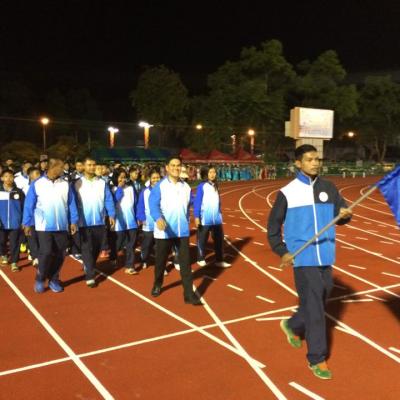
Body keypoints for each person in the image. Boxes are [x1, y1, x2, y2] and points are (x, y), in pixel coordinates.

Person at [267, 144, 352, 380]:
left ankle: (293, 325)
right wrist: (281, 250)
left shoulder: (329, 188)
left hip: (326, 254)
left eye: (317, 159)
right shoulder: (288, 192)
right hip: (302, 256)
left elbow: (340, 213)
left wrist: (345, 215)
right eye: (309, 159)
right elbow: (273, 226)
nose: (315, 163)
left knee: (322, 296)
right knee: (315, 308)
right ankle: (317, 358)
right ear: (298, 163)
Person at [149, 156, 202, 305]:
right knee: (161, 262)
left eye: (178, 165)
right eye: (172, 165)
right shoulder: (160, 186)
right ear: (167, 168)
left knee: (185, 264)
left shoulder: (186, 187)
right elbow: (153, 204)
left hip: (182, 231)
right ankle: (157, 283)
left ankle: (188, 294)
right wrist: (158, 218)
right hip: (164, 231)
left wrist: (197, 214)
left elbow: (191, 203)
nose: (176, 168)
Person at [23, 158, 79, 293]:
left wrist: (73, 221)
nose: (62, 169)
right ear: (50, 167)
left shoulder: (65, 184)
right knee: (46, 252)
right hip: (44, 226)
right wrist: (27, 223)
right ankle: (40, 278)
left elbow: (71, 203)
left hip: (62, 225)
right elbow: (29, 204)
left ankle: (54, 279)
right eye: (59, 167)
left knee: (60, 254)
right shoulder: (37, 184)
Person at [74, 157, 115, 288]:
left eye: (94, 165)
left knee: (97, 248)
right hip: (83, 223)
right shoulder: (77, 183)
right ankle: (90, 276)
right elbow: (73, 203)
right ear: (83, 166)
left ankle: (89, 264)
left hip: (99, 221)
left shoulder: (102, 183)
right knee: (87, 248)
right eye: (89, 165)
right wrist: (73, 220)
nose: (92, 167)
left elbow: (108, 199)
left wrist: (111, 214)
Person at [193, 166, 231, 268]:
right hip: (205, 218)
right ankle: (200, 259)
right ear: (206, 174)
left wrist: (220, 213)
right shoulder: (202, 186)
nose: (212, 174)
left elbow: (218, 202)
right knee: (202, 240)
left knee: (219, 240)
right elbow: (197, 202)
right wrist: (196, 217)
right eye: (210, 172)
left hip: (217, 219)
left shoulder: (216, 186)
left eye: (214, 172)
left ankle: (219, 260)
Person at [109, 168, 139, 274]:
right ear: (116, 178)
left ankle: (130, 265)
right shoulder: (112, 189)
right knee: (118, 243)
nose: (123, 180)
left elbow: (135, 204)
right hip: (118, 222)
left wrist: (137, 217)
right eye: (120, 177)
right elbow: (113, 202)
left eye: (124, 177)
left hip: (131, 221)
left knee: (131, 244)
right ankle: (113, 256)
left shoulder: (130, 188)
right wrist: (119, 189)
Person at [0, 169, 25, 272]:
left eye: (10, 176)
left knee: (15, 243)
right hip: (1, 223)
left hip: (15, 222)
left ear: (13, 178)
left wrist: (24, 221)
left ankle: (14, 262)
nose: (8, 179)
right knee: (2, 241)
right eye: (6, 176)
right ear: (2, 178)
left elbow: (24, 207)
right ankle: (4, 255)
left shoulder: (19, 192)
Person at [137, 168, 161, 269]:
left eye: (157, 178)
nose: (156, 180)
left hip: (161, 223)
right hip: (148, 223)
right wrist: (142, 218)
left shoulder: (164, 190)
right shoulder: (145, 192)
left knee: (160, 246)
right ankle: (144, 259)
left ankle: (160, 266)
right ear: (150, 179)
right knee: (147, 244)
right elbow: (140, 206)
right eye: (153, 178)